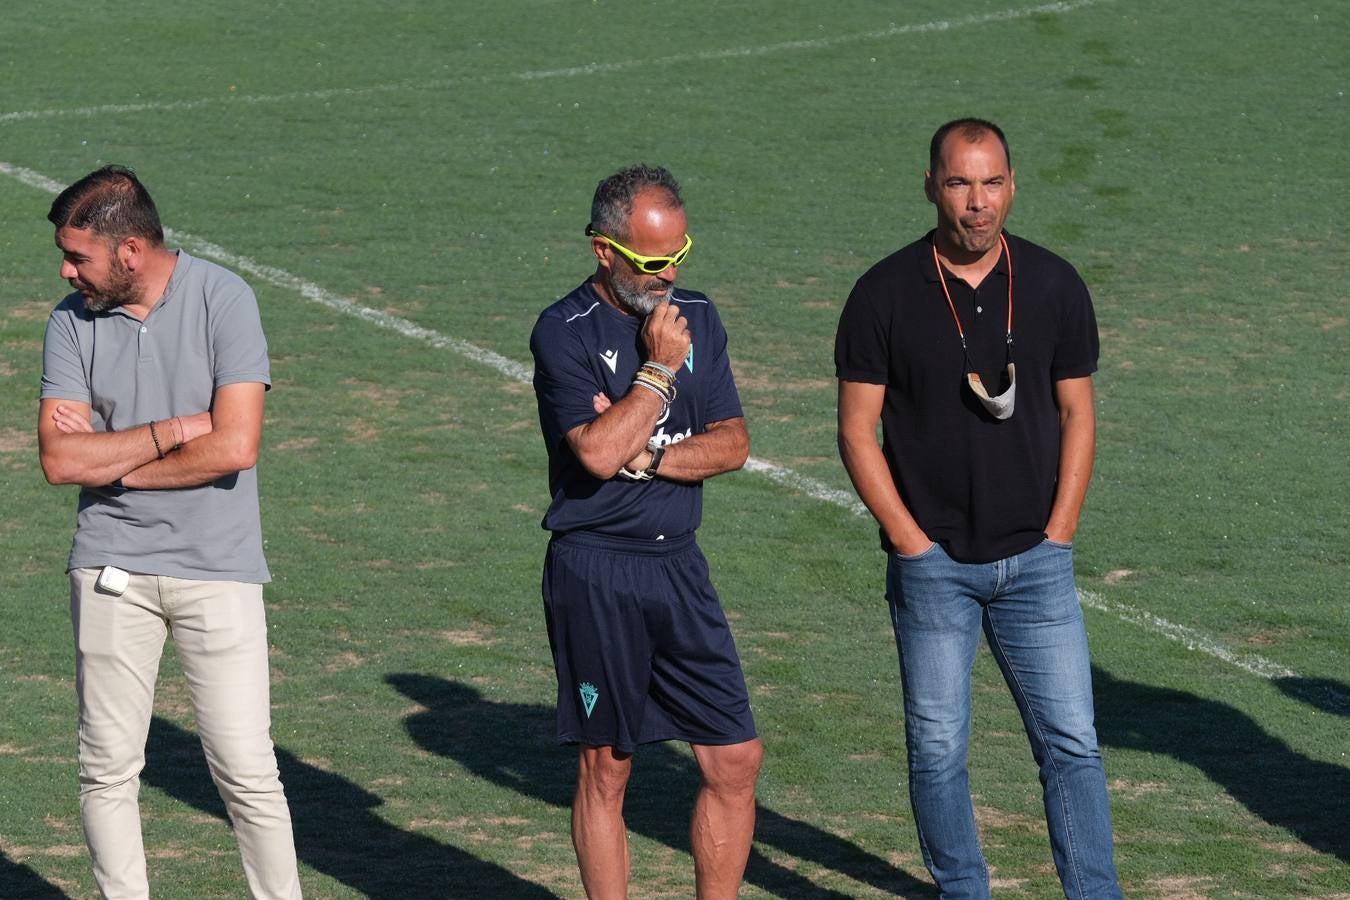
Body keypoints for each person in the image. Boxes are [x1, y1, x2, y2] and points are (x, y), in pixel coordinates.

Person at [834, 120, 1123, 899]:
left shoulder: (1055, 283)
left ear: (1013, 185)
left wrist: (1061, 532)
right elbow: (856, 430)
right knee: (936, 749)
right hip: (935, 572)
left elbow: (1079, 414)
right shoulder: (883, 293)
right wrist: (909, 541)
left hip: (1038, 564)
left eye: (991, 182)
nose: (977, 202)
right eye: (959, 183)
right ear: (930, 186)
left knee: (1073, 744)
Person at [37, 165, 303, 900]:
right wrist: (177, 429)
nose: (67, 271)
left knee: (246, 769)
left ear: (129, 252)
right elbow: (60, 460)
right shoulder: (69, 321)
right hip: (109, 569)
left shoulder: (225, 300)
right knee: (106, 768)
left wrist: (114, 462)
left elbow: (234, 448)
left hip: (217, 570)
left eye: (78, 256)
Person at [530, 164, 762, 899]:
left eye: (677, 257)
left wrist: (650, 453)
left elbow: (733, 443)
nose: (667, 278)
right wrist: (658, 374)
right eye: (651, 262)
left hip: (679, 569)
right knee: (609, 768)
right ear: (604, 250)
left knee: (735, 759)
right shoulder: (561, 331)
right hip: (596, 570)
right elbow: (596, 453)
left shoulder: (702, 314)